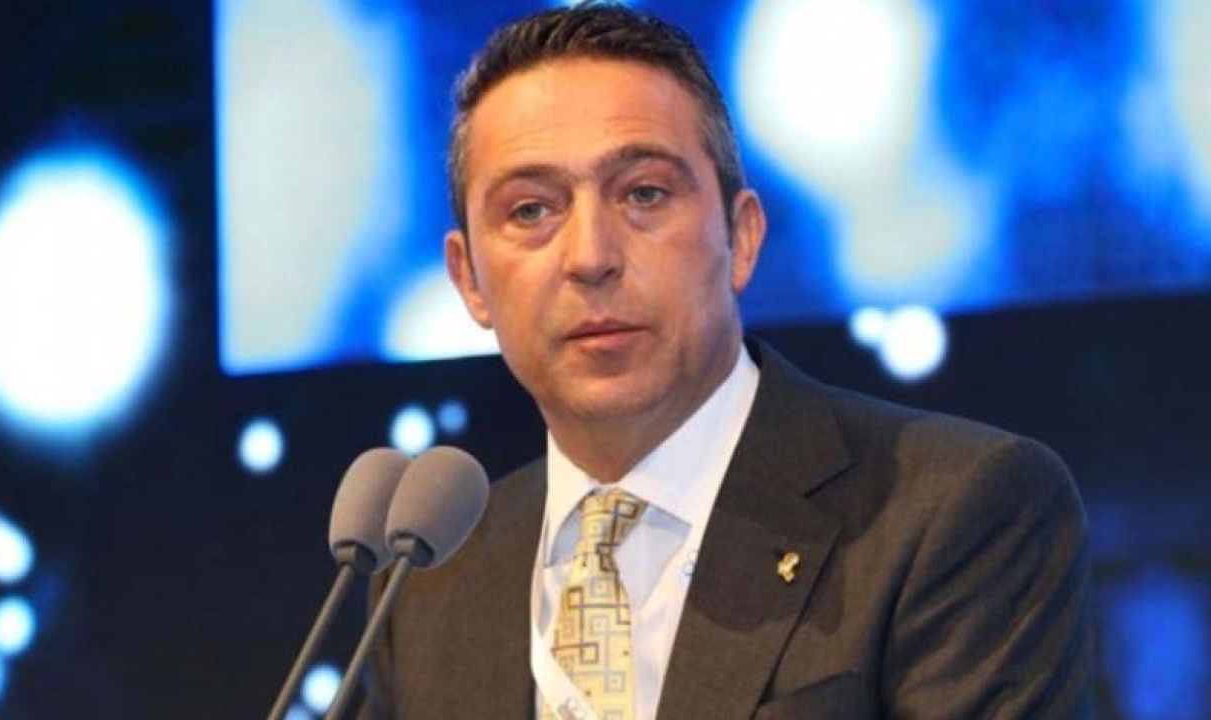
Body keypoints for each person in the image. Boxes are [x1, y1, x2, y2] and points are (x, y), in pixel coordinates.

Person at [360, 4, 1092, 719]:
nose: (590, 256)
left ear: (740, 237)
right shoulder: (427, 581)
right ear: (469, 279)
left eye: (644, 193)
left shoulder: (955, 511)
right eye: (530, 210)